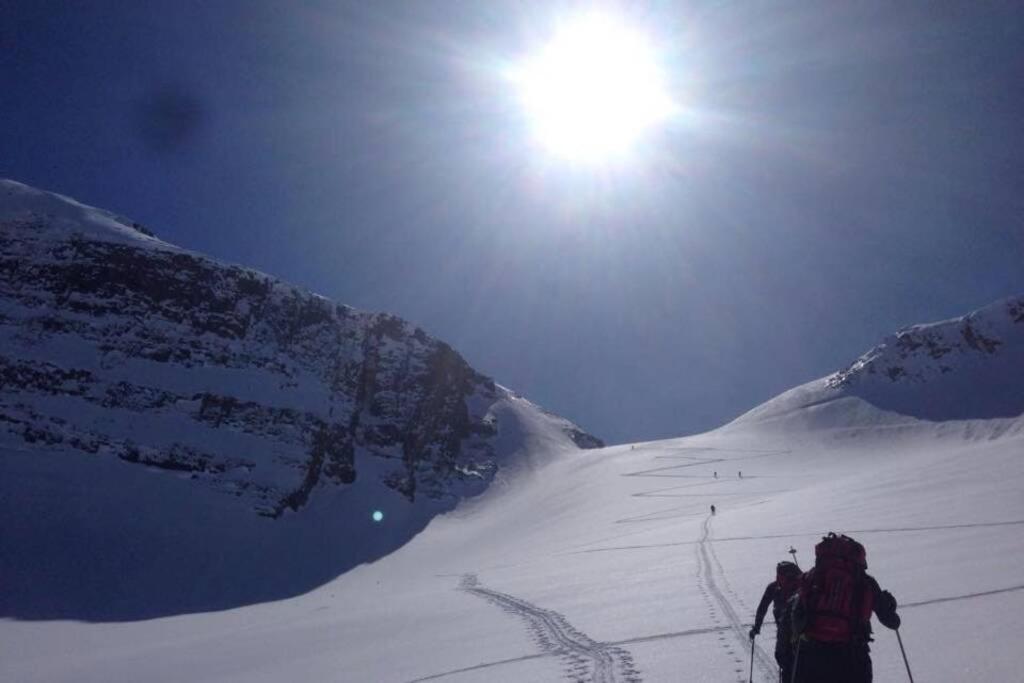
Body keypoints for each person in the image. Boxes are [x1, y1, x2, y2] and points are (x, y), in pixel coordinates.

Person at [790, 533, 901, 683]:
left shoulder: (812, 576)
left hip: (813, 654)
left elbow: (797, 616)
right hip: (852, 657)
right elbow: (892, 622)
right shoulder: (866, 582)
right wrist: (889, 605)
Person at [749, 560, 801, 682]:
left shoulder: (773, 587)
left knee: (786, 663)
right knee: (798, 665)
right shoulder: (802, 585)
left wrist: (757, 627)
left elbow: (763, 607)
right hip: (803, 633)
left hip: (784, 631)